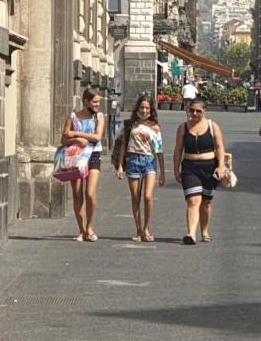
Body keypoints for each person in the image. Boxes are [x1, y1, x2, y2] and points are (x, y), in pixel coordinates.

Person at [173, 100, 231, 244]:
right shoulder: (183, 128)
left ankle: (205, 231)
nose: (194, 113)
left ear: (205, 111)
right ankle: (191, 234)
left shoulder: (213, 126)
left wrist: (221, 166)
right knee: (193, 200)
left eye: (198, 111)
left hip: (209, 167)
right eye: (192, 110)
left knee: (206, 202)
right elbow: (178, 150)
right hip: (189, 167)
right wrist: (176, 170)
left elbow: (219, 147)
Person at [113, 95, 163, 242]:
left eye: (147, 108)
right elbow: (123, 146)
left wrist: (162, 172)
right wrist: (121, 165)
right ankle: (138, 229)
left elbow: (158, 150)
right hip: (133, 160)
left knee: (147, 196)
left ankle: (147, 227)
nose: (144, 110)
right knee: (135, 198)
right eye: (142, 107)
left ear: (151, 110)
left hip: (149, 160)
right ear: (137, 109)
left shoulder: (154, 126)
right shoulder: (130, 124)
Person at [60, 88, 107, 242]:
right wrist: (76, 140)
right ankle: (81, 230)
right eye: (94, 102)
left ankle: (90, 226)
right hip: (76, 156)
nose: (97, 105)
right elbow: (64, 140)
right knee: (77, 194)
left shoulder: (100, 117)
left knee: (90, 193)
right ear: (85, 101)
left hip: (93, 156)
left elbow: (97, 137)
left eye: (98, 102)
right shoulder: (73, 117)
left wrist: (76, 134)